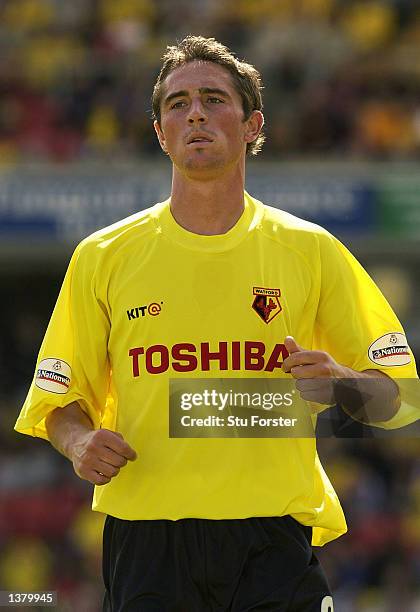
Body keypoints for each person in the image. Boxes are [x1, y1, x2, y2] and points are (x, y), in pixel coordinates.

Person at [15, 36, 418, 611]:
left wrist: (341, 384)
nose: (195, 112)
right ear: (160, 133)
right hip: (148, 541)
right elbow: (56, 402)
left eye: (213, 98)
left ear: (254, 124)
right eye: (176, 104)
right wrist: (79, 442)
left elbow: (402, 401)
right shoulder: (102, 256)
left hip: (272, 543)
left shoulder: (312, 250)